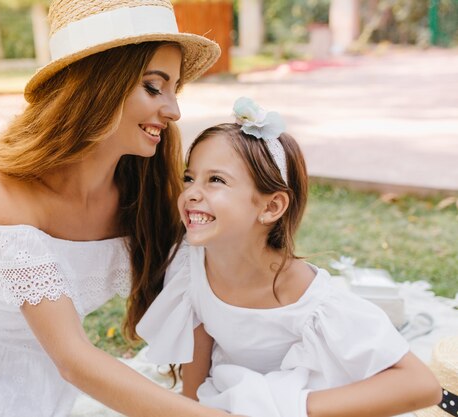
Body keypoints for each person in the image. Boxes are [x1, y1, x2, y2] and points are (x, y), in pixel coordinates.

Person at [0, 1, 241, 416]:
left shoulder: (152, 198)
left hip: (32, 375)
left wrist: (199, 402)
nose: (173, 110)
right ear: (97, 86)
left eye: (175, 89)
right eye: (154, 87)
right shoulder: (1, 190)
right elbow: (73, 358)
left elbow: (197, 305)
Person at [137, 97, 442, 417]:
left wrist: (287, 408)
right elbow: (196, 371)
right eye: (190, 178)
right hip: (235, 398)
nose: (192, 193)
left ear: (270, 207)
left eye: (216, 180)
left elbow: (422, 385)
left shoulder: (312, 302)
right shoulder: (192, 265)